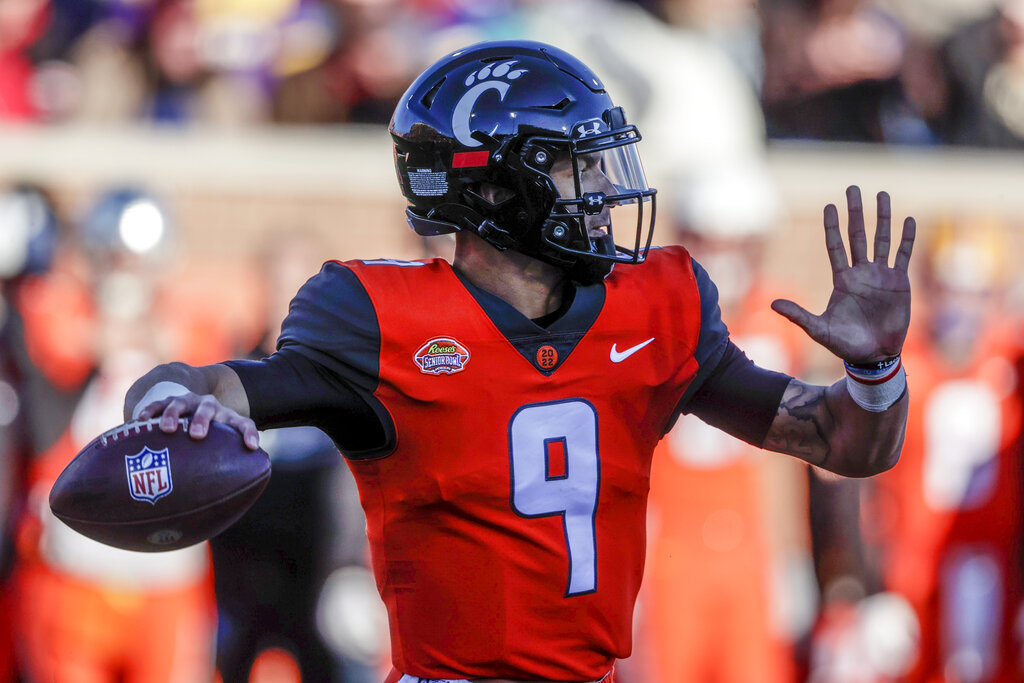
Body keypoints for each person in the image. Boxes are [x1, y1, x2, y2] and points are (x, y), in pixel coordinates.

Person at [124, 40, 916, 683]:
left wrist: (875, 371)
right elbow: (211, 382)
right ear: (497, 190)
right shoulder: (375, 316)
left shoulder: (658, 304)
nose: (606, 192)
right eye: (580, 166)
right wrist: (171, 397)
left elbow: (843, 444)